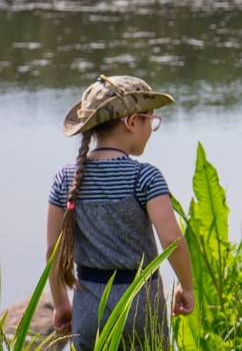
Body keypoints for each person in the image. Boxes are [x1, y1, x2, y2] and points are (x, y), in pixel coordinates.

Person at [47, 74, 195, 351]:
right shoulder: (145, 177)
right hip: (141, 307)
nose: (152, 128)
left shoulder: (64, 179)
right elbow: (172, 239)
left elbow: (52, 252)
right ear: (130, 122)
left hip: (89, 307)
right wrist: (187, 288)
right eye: (150, 120)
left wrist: (61, 304)